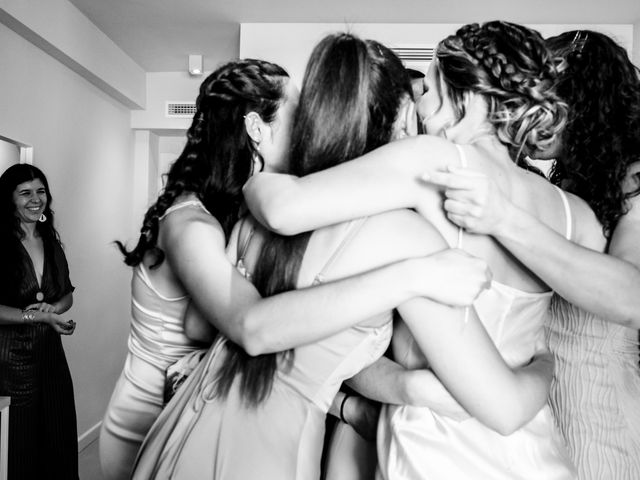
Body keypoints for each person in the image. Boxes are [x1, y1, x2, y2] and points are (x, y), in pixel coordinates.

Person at [133, 30, 561, 480]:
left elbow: (202, 325)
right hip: (270, 454)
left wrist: (401, 387)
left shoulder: (259, 210)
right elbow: (505, 407)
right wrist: (546, 364)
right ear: (400, 125)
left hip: (187, 427)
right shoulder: (406, 237)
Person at [241, 22, 601, 478]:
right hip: (534, 448)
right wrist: (544, 368)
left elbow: (285, 211)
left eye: (428, 88)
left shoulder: (435, 162)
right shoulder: (577, 215)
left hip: (436, 445)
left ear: (466, 100)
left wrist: (252, 175)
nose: (419, 107)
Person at [420, 30, 640, 479]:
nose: (524, 110)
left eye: (543, 98)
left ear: (585, 103)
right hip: (535, 411)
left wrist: (502, 218)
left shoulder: (635, 179)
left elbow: (631, 297)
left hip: (598, 411)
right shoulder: (555, 192)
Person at [0, 164, 77, 480]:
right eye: (25, 193)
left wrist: (54, 310)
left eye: (41, 191)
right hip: (11, 362)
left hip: (51, 357)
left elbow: (68, 295)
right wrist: (36, 316)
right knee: (18, 446)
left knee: (58, 437)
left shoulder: (50, 239)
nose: (36, 199)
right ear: (9, 199)